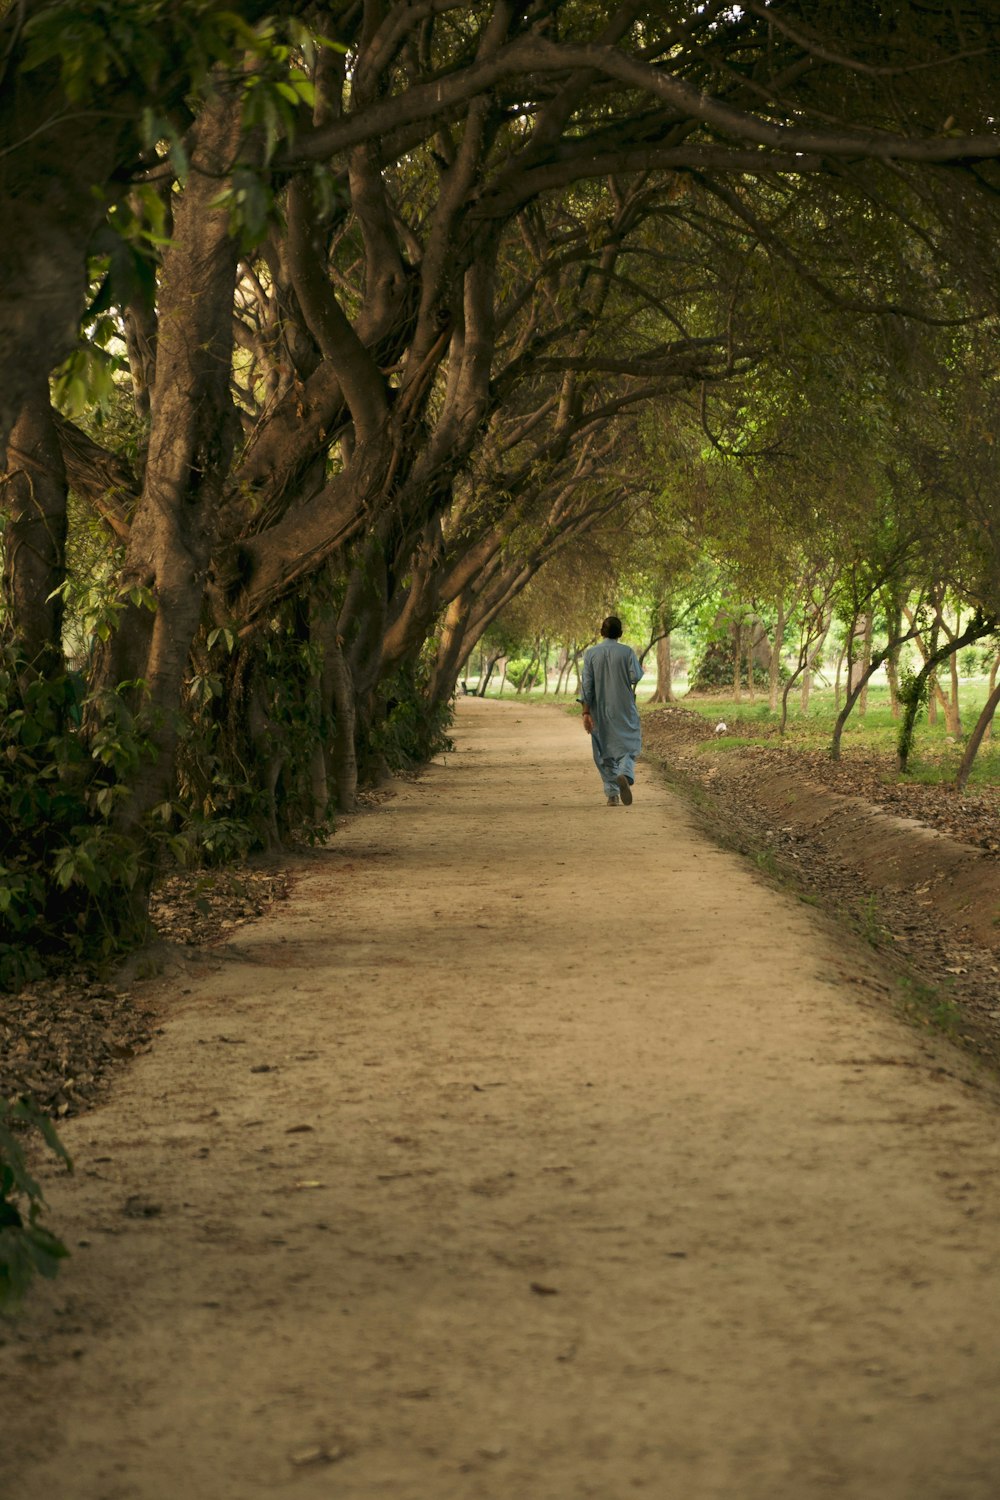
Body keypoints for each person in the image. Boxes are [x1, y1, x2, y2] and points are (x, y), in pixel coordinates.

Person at [579, 616, 643, 806]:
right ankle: (625, 773)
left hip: (599, 708)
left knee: (602, 750)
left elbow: (587, 685)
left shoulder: (591, 654)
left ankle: (612, 794)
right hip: (624, 706)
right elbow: (635, 676)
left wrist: (585, 712)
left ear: (601, 632)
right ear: (620, 634)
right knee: (629, 744)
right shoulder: (627, 652)